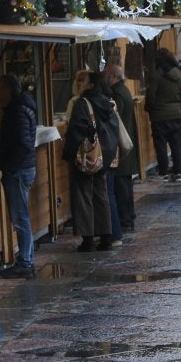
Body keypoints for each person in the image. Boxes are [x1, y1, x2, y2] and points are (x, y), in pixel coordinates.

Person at [65, 70, 122, 251]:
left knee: (83, 197)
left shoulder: (83, 103)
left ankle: (88, 239)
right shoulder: (107, 103)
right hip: (103, 157)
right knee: (101, 195)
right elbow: (114, 129)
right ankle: (106, 237)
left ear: (90, 85)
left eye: (85, 81)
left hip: (86, 156)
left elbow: (76, 130)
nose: (81, 84)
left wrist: (69, 153)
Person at [0, 73, 38, 274]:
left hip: (19, 170)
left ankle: (25, 262)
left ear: (8, 90)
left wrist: (11, 166)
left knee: (20, 217)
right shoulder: (18, 108)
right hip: (22, 168)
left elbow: (23, 143)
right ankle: (26, 258)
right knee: (21, 215)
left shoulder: (17, 111)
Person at [105, 63, 140, 232]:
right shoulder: (124, 90)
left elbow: (113, 118)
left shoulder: (117, 93)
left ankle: (125, 219)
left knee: (121, 187)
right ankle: (128, 217)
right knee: (125, 185)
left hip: (121, 147)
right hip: (126, 147)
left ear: (114, 77)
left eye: (107, 75)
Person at [147, 47, 181, 177]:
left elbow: (151, 95)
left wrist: (149, 108)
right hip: (176, 113)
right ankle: (178, 170)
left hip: (159, 115)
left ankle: (164, 171)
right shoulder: (179, 73)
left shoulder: (156, 74)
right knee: (176, 144)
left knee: (161, 145)